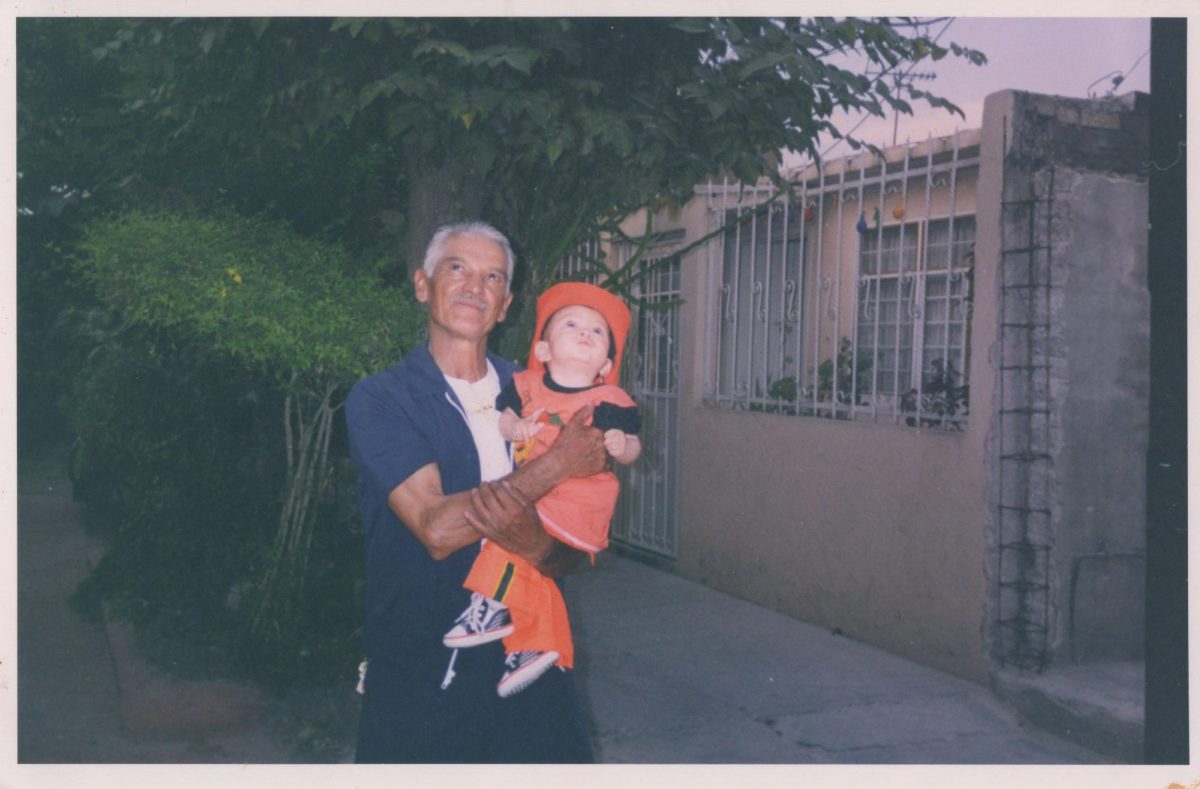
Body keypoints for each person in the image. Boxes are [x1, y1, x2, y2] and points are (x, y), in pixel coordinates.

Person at [344, 221, 606, 763]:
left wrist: (537, 546)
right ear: (423, 284)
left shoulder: (538, 394)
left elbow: (578, 551)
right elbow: (437, 528)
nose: (473, 286)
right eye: (456, 268)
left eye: (492, 277)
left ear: (506, 304)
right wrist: (551, 467)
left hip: (529, 662)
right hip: (423, 665)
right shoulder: (383, 398)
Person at [443, 282, 641, 698]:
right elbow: (505, 415)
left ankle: (489, 606)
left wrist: (623, 447)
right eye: (571, 324)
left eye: (598, 332)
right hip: (541, 493)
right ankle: (535, 645)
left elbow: (632, 442)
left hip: (578, 503)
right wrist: (512, 426)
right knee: (530, 566)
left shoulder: (609, 397)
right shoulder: (528, 384)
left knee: (505, 539)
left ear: (606, 363)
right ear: (544, 351)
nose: (586, 333)